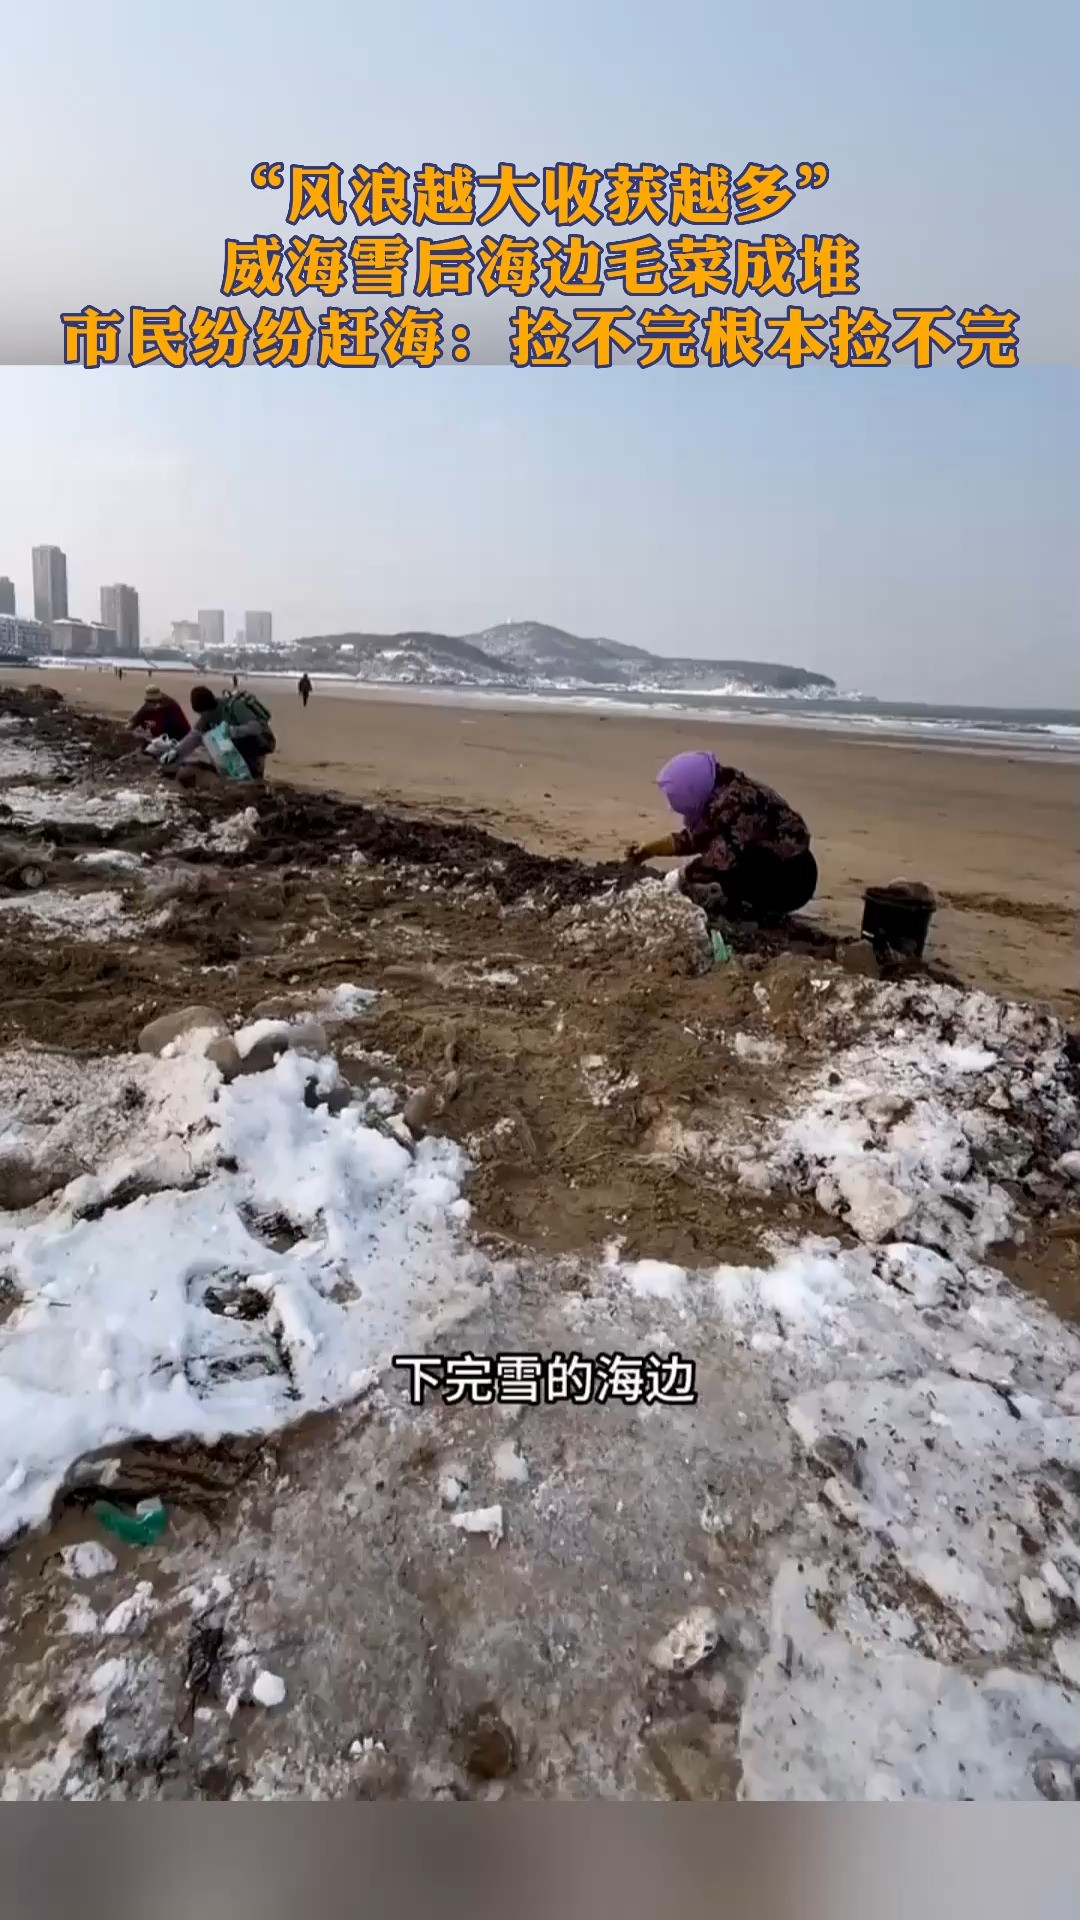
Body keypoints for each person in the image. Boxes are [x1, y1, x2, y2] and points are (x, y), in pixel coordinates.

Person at [626, 750, 817, 921]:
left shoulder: (738, 805)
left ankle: (757, 912)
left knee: (729, 872)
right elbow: (695, 839)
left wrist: (681, 876)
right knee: (726, 864)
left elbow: (719, 859)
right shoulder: (721, 792)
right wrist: (650, 850)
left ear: (691, 791)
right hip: (778, 866)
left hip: (792, 879)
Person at [161, 685, 277, 780]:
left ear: (206, 708)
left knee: (254, 777)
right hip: (239, 748)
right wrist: (176, 751)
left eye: (202, 713)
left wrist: (232, 731)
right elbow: (195, 736)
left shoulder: (235, 707)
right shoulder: (207, 716)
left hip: (258, 744)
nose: (201, 716)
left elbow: (256, 727)